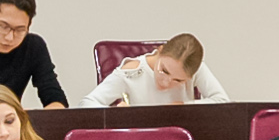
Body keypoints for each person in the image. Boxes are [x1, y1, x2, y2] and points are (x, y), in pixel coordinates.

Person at [83, 33, 230, 106]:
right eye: (164, 71)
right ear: (160, 51)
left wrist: (185, 106)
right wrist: (113, 114)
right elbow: (87, 103)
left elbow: (223, 101)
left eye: (178, 80)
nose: (166, 82)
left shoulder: (197, 69)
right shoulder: (132, 72)